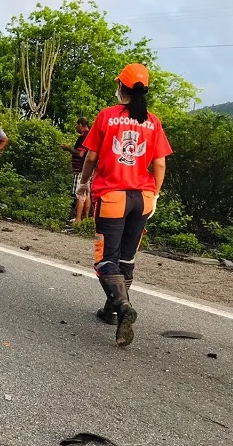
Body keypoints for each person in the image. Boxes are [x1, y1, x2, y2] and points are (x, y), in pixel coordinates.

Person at [76, 63, 172, 348]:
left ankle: (123, 307)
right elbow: (160, 163)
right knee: (126, 259)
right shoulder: (153, 121)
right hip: (142, 198)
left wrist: (83, 183)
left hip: (113, 196)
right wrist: (155, 194)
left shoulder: (107, 116)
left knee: (106, 260)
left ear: (121, 87)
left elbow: (91, 158)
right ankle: (111, 311)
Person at [61, 117, 91, 224]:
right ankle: (86, 219)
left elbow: (80, 153)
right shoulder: (90, 136)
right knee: (86, 194)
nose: (76, 127)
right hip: (87, 169)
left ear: (81, 125)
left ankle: (78, 220)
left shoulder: (83, 137)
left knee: (80, 194)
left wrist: (68, 148)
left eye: (77, 125)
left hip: (81, 170)